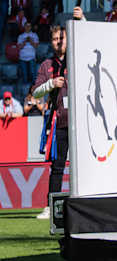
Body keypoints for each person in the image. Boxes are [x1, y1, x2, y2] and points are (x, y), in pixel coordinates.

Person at [33, 15, 74, 220]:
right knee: (57, 166)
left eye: (62, 38)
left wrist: (81, 19)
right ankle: (51, 205)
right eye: (56, 39)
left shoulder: (77, 57)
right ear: (51, 42)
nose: (59, 41)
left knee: (79, 166)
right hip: (59, 122)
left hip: (79, 122)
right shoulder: (46, 65)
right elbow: (35, 93)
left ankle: (80, 202)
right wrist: (51, 84)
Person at [16, 23, 39, 92]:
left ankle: (34, 90)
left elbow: (36, 46)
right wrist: (25, 41)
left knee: (33, 74)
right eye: (26, 26)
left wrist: (31, 41)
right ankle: (25, 91)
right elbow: (19, 47)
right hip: (22, 58)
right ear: (24, 27)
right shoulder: (21, 36)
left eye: (29, 26)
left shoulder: (34, 35)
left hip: (31, 57)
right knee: (24, 75)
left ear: (31, 27)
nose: (28, 27)